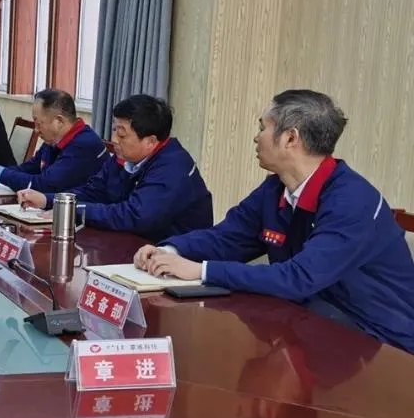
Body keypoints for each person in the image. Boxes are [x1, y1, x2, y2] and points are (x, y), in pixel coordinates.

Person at [134, 90, 414, 353]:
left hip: (380, 341)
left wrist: (200, 271)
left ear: (290, 138)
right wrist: (170, 251)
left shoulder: (352, 200)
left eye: (262, 128)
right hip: (312, 321)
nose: (256, 138)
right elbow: (228, 237)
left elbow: (300, 278)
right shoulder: (276, 187)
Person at [19, 94, 213, 242]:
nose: (114, 140)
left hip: (172, 258)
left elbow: (134, 215)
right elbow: (93, 191)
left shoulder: (173, 167)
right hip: (132, 245)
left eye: (121, 134)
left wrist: (73, 210)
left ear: (150, 141)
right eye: (114, 130)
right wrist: (49, 200)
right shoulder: (126, 157)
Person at [0, 89, 107, 192]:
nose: (36, 130)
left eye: (38, 123)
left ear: (59, 121)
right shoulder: (53, 140)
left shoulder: (83, 144)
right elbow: (28, 169)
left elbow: (45, 184)